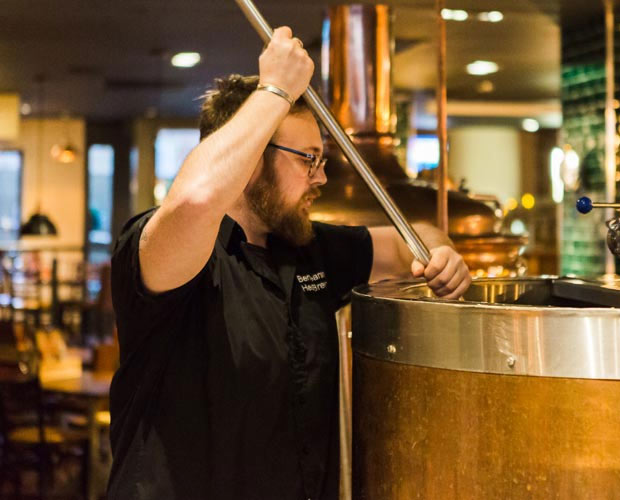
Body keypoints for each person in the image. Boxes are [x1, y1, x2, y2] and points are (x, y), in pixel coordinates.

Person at [107, 27, 471, 500]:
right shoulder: (161, 247)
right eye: (308, 159)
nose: (320, 177)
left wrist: (440, 254)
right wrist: (273, 90)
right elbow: (197, 200)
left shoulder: (307, 248)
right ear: (251, 159)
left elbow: (413, 241)